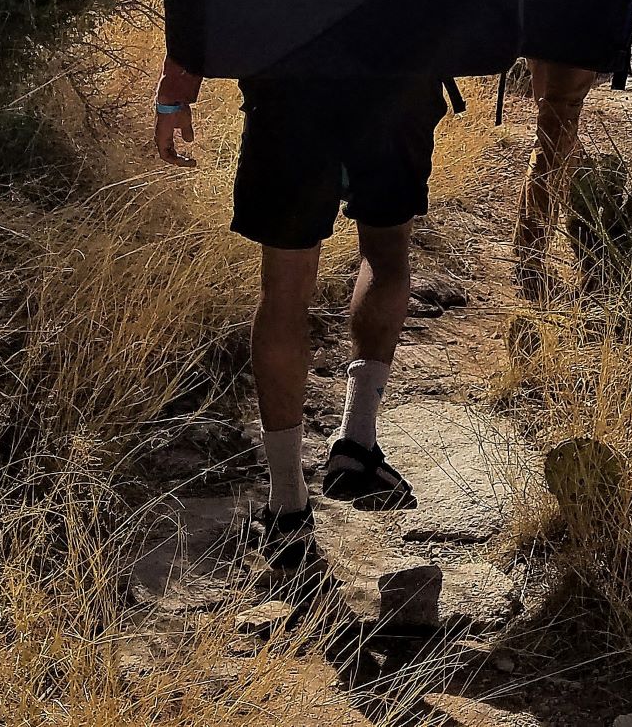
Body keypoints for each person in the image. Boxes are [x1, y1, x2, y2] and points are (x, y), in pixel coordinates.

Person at [153, 58, 441, 574]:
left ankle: (286, 502)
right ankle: (357, 442)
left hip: (289, 81)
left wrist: (178, 86)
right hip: (397, 75)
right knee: (386, 251)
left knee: (284, 288)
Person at [510, 57, 598, 300]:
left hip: (546, 26)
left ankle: (528, 250)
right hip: (573, 33)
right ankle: (530, 258)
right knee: (557, 127)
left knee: (553, 120)